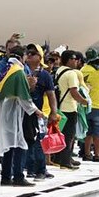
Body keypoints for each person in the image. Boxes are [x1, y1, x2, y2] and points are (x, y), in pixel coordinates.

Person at [0, 45, 42, 187]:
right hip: (12, 111)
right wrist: (36, 111)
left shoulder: (5, 68)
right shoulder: (18, 71)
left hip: (3, 110)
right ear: (22, 57)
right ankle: (18, 176)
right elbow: (24, 98)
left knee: (9, 144)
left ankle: (6, 176)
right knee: (20, 143)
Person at [24, 43, 58, 180]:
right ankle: (29, 168)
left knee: (38, 141)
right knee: (26, 141)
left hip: (38, 113)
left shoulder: (45, 75)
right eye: (28, 53)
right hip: (23, 112)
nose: (29, 55)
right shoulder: (22, 71)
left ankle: (40, 170)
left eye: (33, 53)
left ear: (39, 57)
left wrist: (53, 112)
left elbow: (51, 95)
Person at [54, 50, 88, 169]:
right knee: (69, 136)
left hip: (60, 107)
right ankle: (65, 162)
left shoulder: (59, 70)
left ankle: (59, 159)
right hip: (69, 108)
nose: (76, 61)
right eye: (74, 59)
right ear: (69, 60)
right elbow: (74, 92)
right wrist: (84, 101)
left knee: (61, 135)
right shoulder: (72, 74)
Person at [80, 49, 99, 161]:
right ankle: (97, 154)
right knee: (98, 132)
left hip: (84, 105)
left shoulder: (82, 70)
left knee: (88, 132)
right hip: (98, 105)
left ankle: (87, 154)